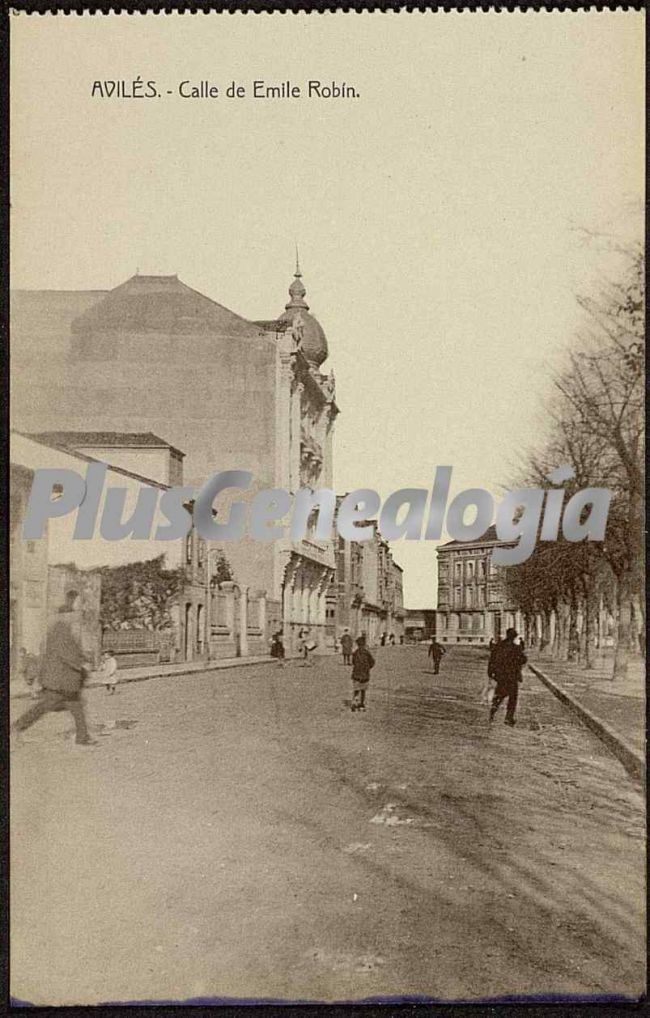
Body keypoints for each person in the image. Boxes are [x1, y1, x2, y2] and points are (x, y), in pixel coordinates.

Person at [12, 608, 97, 747]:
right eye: (72, 614)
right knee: (46, 706)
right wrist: (81, 664)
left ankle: (82, 737)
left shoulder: (63, 629)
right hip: (59, 680)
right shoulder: (61, 630)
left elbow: (73, 651)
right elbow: (66, 653)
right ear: (64, 616)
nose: (75, 617)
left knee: (76, 707)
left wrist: (83, 658)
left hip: (64, 680)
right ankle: (17, 727)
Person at [489, 628, 527, 727]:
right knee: (512, 697)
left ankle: (494, 708)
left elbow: (492, 660)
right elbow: (523, 660)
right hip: (512, 676)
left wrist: (490, 672)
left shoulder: (498, 646)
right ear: (514, 637)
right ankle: (508, 718)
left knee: (500, 693)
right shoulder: (516, 648)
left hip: (500, 676)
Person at [350, 635, 375, 712]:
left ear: (358, 645)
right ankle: (362, 704)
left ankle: (355, 702)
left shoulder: (355, 653)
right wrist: (367, 668)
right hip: (365, 674)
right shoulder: (367, 653)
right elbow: (372, 662)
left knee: (356, 689)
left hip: (356, 674)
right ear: (364, 644)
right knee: (363, 690)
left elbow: (353, 662)